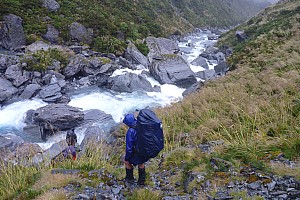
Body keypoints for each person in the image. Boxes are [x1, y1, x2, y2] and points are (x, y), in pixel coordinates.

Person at [123, 113, 149, 185]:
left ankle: (130, 179)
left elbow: (129, 148)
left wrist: (127, 158)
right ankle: (141, 181)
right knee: (141, 163)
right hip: (144, 150)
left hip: (136, 152)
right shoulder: (142, 126)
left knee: (127, 162)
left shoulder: (130, 131)